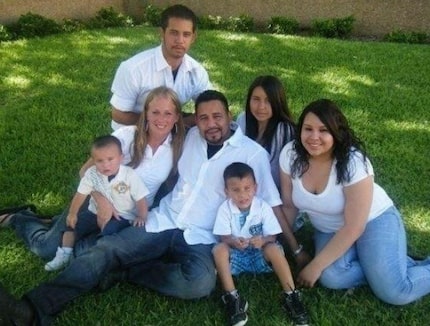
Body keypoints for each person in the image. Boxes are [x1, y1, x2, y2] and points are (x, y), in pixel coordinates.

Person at [0, 90, 304, 325]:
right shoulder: (189, 137)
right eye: (203, 117)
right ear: (194, 119)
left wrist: (296, 250)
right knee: (104, 252)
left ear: (229, 116)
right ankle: (31, 309)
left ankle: (121, 272)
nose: (211, 124)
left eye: (217, 117)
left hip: (201, 236)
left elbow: (273, 203)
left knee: (198, 283)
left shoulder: (252, 155)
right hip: (162, 220)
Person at [0, 86, 185, 261]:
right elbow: (85, 171)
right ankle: (18, 218)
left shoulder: (177, 147)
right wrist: (101, 201)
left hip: (131, 217)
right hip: (95, 204)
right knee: (46, 249)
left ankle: (56, 222)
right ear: (146, 113)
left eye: (168, 113)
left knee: (87, 254)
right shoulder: (127, 136)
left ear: (177, 116)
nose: (161, 119)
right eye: (155, 112)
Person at [279, 98, 430, 305]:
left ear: (336, 132)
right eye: (308, 129)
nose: (314, 137)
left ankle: (390, 271)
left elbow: (354, 227)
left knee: (395, 292)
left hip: (372, 221)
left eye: (324, 130)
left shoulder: (353, 162)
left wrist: (315, 266)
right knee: (331, 277)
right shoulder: (290, 154)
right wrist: (275, 242)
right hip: (329, 229)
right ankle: (384, 266)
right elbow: (289, 206)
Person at [213, 162, 309, 326]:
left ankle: (291, 295)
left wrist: (263, 240)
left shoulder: (263, 207)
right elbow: (224, 237)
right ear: (226, 192)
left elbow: (273, 235)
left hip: (260, 256)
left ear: (255, 187)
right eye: (235, 190)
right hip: (238, 258)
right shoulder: (225, 209)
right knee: (218, 249)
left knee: (273, 249)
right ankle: (232, 297)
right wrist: (233, 242)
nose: (243, 195)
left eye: (247, 188)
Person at [44, 135, 149, 272]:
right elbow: (80, 195)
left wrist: (142, 216)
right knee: (70, 225)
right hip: (94, 212)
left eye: (110, 159)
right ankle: (64, 253)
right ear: (93, 161)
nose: (106, 165)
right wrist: (72, 213)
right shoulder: (91, 174)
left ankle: (86, 255)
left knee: (108, 233)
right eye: (100, 161)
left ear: (121, 158)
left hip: (121, 216)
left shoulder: (129, 175)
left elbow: (141, 198)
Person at [110, 4, 212, 130]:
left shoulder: (197, 72)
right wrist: (163, 123)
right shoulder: (133, 69)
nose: (180, 40)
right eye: (174, 33)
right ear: (162, 33)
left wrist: (181, 122)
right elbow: (119, 115)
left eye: (186, 34)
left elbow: (211, 106)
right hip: (133, 132)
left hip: (172, 132)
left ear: (193, 37)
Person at [236, 75, 295, 189]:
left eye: (268, 101)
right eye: (256, 99)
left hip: (271, 192)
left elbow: (278, 175)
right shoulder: (243, 119)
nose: (261, 107)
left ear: (278, 102)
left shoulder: (284, 130)